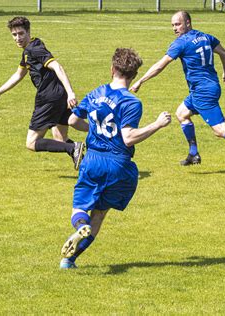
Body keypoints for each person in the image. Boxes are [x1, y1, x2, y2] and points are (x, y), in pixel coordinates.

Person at [59, 48, 172, 269]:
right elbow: (128, 138)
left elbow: (72, 121)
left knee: (80, 208)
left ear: (112, 69)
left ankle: (80, 226)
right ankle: (69, 260)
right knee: (99, 214)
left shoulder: (96, 93)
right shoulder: (131, 102)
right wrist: (157, 124)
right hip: (119, 164)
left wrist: (93, 130)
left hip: (92, 160)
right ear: (134, 75)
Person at [130, 11, 225, 175]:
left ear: (188, 22)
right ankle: (193, 154)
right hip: (207, 88)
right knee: (181, 113)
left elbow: (160, 65)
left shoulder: (181, 43)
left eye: (178, 24)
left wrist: (140, 81)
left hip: (203, 92)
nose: (174, 28)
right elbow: (224, 53)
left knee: (219, 129)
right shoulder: (206, 37)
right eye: (172, 25)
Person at [0, 16, 84, 170]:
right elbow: (18, 74)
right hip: (58, 95)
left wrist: (71, 92)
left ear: (28, 32)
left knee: (31, 143)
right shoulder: (30, 49)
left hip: (48, 98)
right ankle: (91, 160)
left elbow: (58, 67)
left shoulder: (34, 49)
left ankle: (74, 147)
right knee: (60, 138)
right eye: (14, 34)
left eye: (21, 33)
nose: (18, 38)